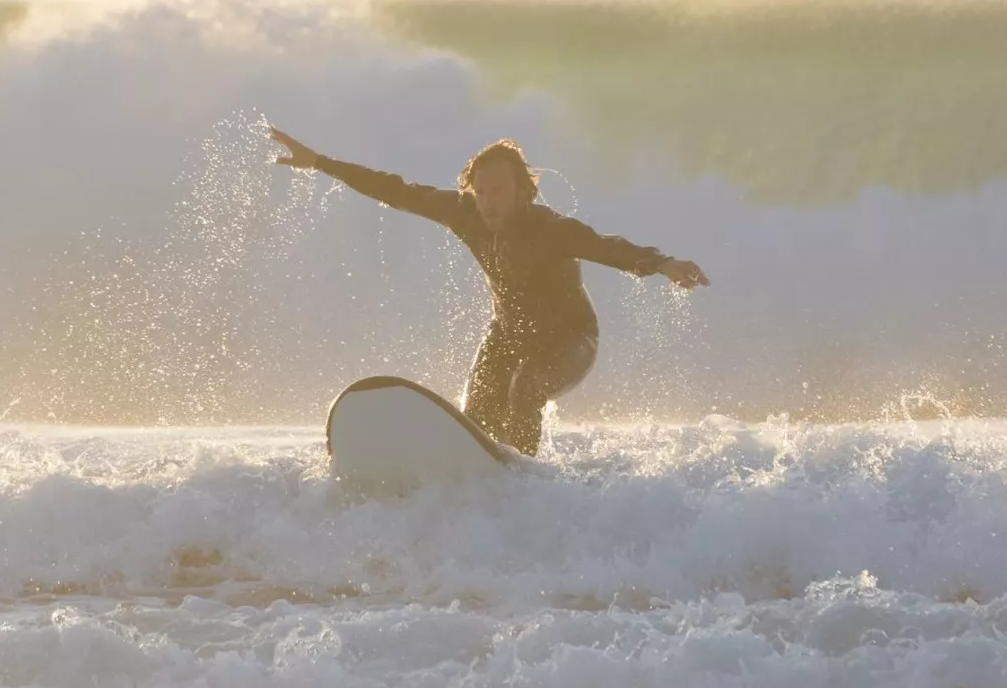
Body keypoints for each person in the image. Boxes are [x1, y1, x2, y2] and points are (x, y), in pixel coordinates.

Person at [268, 125, 708, 456]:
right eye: (481, 192)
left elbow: (605, 246)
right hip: (508, 334)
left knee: (526, 389)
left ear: (522, 193)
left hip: (571, 340)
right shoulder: (467, 215)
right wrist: (321, 162)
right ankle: (486, 476)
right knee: (475, 416)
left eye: (499, 191)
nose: (489, 201)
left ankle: (523, 483)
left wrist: (663, 263)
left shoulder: (550, 228)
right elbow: (396, 189)